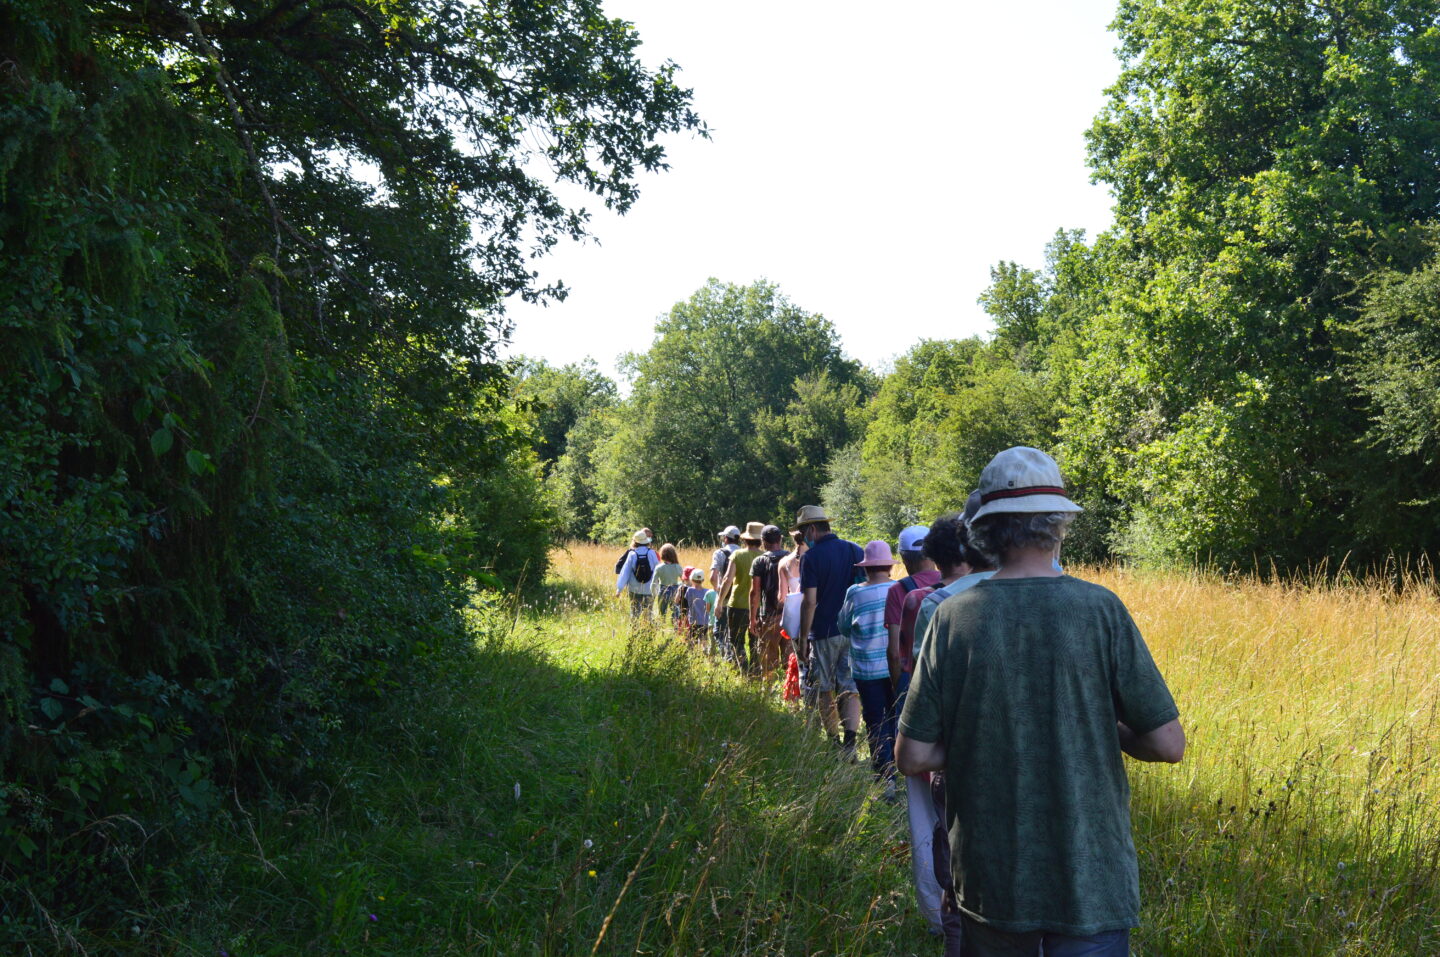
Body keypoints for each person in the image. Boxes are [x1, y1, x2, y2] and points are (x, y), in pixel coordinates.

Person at [896, 447, 1185, 956]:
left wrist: (974, 738)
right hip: (1091, 880)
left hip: (993, 878)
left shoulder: (953, 618)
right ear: (1058, 526)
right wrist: (1100, 727)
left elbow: (912, 756)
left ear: (983, 531)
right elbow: (1167, 744)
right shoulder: (1101, 610)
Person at [892, 510, 981, 947]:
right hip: (989, 741)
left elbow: (919, 676)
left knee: (930, 827)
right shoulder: (996, 591)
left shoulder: (928, 603)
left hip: (939, 739)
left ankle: (939, 916)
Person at [794, 505, 864, 757]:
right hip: (854, 631)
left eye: (803, 534)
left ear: (812, 529)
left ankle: (834, 741)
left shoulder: (811, 558)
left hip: (824, 631)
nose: (803, 539)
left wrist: (803, 638)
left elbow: (809, 601)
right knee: (850, 686)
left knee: (824, 688)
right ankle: (851, 743)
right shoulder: (854, 549)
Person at [836, 540, 900, 786]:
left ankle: (884, 776)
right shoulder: (899, 589)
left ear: (865, 568)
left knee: (874, 720)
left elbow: (843, 626)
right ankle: (896, 764)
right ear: (888, 566)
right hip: (895, 667)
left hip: (865, 670)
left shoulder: (855, 592)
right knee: (895, 716)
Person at [884, 525, 941, 685]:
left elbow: (895, 652)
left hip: (914, 678)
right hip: (946, 676)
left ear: (904, 559)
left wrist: (898, 690)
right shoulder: (952, 582)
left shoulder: (897, 590)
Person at [718, 521, 765, 674]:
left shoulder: (737, 555)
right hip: (758, 607)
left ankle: (743, 669)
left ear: (745, 539)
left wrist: (719, 602)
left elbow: (727, 579)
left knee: (736, 641)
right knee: (755, 641)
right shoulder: (764, 557)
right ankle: (755, 671)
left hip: (737, 604)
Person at [747, 525, 791, 677]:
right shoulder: (791, 558)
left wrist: (752, 619)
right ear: (780, 539)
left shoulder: (759, 561)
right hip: (790, 616)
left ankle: (769, 693)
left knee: (768, 660)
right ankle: (790, 694)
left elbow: (755, 592)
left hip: (768, 616)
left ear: (763, 541)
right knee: (790, 659)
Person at [614, 530, 659, 618]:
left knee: (634, 612)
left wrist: (619, 589)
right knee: (648, 613)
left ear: (635, 542)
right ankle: (648, 630)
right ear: (646, 541)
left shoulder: (632, 554)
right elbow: (658, 570)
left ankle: (635, 631)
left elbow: (625, 572)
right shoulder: (652, 553)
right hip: (649, 589)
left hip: (634, 589)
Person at [710, 525, 741, 654]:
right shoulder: (743, 553)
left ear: (726, 538)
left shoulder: (719, 553)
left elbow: (713, 577)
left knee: (720, 630)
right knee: (736, 631)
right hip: (740, 597)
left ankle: (724, 655)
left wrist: (718, 589)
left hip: (724, 596)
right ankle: (734, 654)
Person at [652, 543, 684, 620]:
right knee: (676, 612)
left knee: (662, 613)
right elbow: (684, 580)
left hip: (662, 590)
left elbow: (654, 582)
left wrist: (653, 594)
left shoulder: (659, 567)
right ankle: (676, 628)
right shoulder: (677, 567)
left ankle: (662, 629)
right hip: (675, 591)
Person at [684, 567, 711, 646]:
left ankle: (694, 655)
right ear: (703, 580)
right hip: (705, 621)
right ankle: (705, 652)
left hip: (694, 620)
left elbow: (686, 602)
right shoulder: (707, 591)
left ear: (691, 579)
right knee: (704, 639)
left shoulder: (690, 590)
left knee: (693, 640)